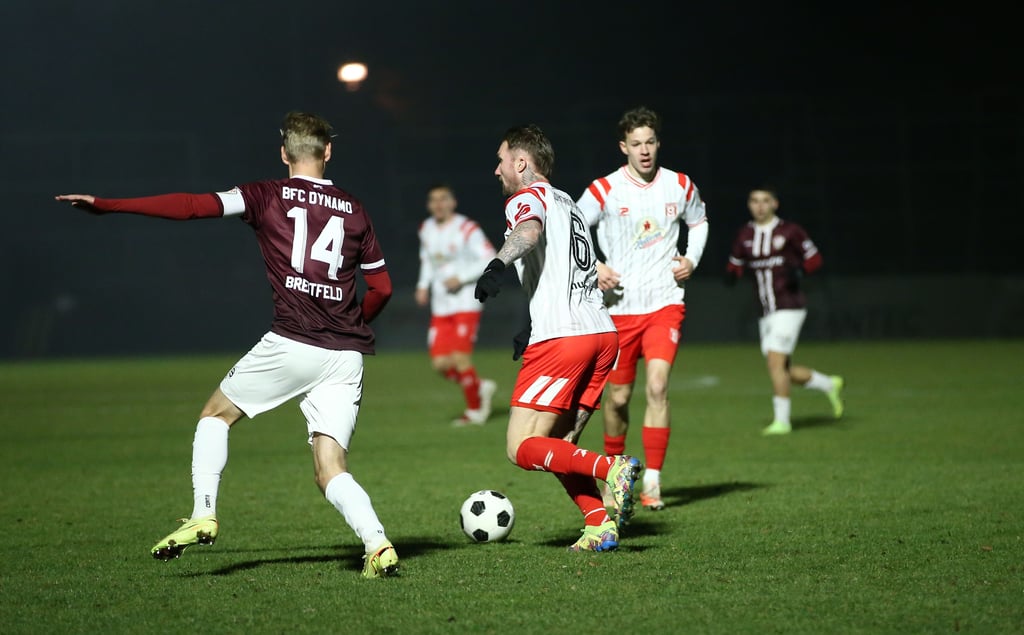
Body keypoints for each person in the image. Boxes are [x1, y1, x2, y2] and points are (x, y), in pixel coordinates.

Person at [55, 112, 400, 578]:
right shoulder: (355, 209)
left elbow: (193, 205)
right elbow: (382, 288)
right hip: (344, 355)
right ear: (328, 152)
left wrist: (110, 205)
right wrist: (351, 323)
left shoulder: (265, 194)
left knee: (215, 415)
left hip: (292, 342)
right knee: (330, 467)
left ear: (284, 153)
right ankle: (377, 544)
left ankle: (203, 512)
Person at [474, 124, 642, 553]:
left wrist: (496, 265)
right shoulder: (569, 203)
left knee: (521, 447)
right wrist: (531, 323)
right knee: (561, 445)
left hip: (564, 340)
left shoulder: (526, 198)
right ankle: (598, 524)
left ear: (522, 162)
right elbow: (568, 271)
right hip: (601, 334)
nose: (496, 170)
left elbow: (527, 233)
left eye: (501, 160)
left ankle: (611, 467)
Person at [575, 106, 709, 512]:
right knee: (616, 400)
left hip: (665, 303)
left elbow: (699, 222)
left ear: (658, 143)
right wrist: (595, 267)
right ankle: (617, 475)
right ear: (624, 147)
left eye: (650, 142)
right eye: (636, 144)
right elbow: (574, 230)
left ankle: (653, 480)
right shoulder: (604, 190)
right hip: (618, 311)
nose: (644, 150)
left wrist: (691, 259)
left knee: (657, 386)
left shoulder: (680, 185)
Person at [724, 186, 845, 435]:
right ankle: (828, 384)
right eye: (754, 201)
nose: (760, 205)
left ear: (775, 204)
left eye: (765, 201)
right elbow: (735, 263)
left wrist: (799, 271)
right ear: (749, 205)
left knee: (774, 361)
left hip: (789, 306)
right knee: (782, 368)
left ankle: (782, 421)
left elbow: (815, 259)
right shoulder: (745, 234)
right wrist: (731, 274)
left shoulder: (790, 231)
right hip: (764, 311)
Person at [414, 183, 498, 426]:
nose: (438, 204)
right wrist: (422, 285)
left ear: (452, 203)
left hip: (465, 302)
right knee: (440, 364)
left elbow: (489, 256)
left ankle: (475, 411)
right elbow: (427, 260)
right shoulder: (426, 228)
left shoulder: (466, 228)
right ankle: (480, 387)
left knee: (460, 358)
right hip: (441, 305)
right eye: (433, 200)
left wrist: (461, 278)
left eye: (443, 199)